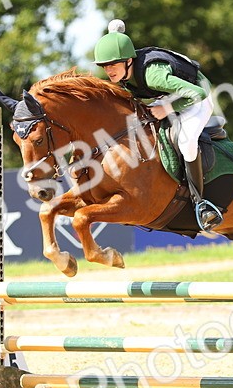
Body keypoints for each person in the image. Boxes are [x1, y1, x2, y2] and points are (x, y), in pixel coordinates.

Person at [92, 19, 224, 231]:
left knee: (186, 141)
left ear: (128, 61)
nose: (109, 70)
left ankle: (201, 204)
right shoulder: (125, 75)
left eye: (113, 64)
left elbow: (197, 93)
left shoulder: (152, 75)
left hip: (196, 95)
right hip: (168, 95)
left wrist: (168, 109)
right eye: (105, 65)